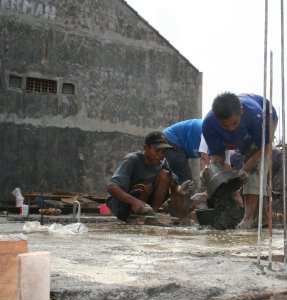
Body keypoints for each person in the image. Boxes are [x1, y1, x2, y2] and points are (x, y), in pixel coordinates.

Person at [202, 92, 278, 229]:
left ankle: (247, 219)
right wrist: (214, 171)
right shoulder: (209, 124)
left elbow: (265, 146)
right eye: (225, 126)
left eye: (234, 123)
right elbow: (217, 155)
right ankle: (265, 216)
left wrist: (246, 167)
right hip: (246, 132)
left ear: (241, 112)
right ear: (217, 119)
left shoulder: (256, 115)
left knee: (255, 169)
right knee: (253, 170)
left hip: (268, 116)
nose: (231, 128)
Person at [106, 131, 195, 224]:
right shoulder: (132, 159)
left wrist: (180, 189)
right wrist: (134, 202)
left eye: (164, 151)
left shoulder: (162, 162)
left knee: (165, 175)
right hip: (122, 205)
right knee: (147, 186)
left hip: (144, 204)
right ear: (146, 148)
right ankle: (132, 218)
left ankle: (151, 216)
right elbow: (111, 187)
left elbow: (172, 182)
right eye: (157, 150)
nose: (161, 154)